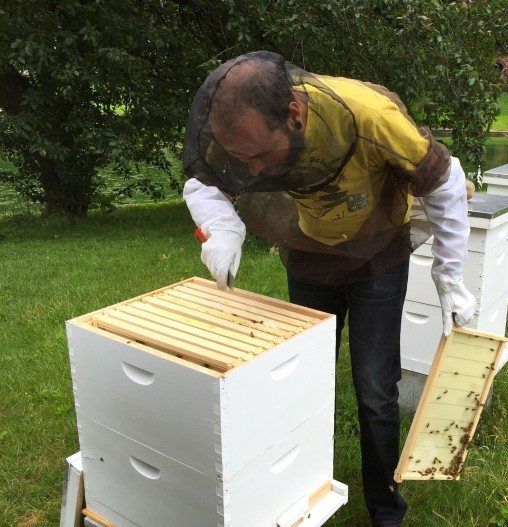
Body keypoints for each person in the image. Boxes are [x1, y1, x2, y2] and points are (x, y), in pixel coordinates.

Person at [182, 51, 475, 527]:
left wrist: (450, 274)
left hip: (377, 259)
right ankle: (295, 496)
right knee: (298, 382)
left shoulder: (370, 117)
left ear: (294, 114)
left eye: (258, 155)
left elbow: (443, 180)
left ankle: (385, 511)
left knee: (376, 391)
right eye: (242, 159)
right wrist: (222, 227)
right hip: (311, 255)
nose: (252, 172)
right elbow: (204, 181)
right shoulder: (244, 129)